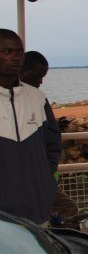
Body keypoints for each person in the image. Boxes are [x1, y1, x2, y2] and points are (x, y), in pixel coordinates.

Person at [0, 29, 61, 224]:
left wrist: (45, 181)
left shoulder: (37, 98)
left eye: (19, 52)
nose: (16, 57)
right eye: (7, 52)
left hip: (37, 212)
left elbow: (53, 145)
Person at [20, 50, 80, 220]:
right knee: (67, 209)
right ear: (22, 71)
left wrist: (47, 172)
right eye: (37, 75)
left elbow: (51, 137)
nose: (41, 81)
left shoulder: (38, 98)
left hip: (40, 176)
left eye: (43, 76)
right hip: (30, 178)